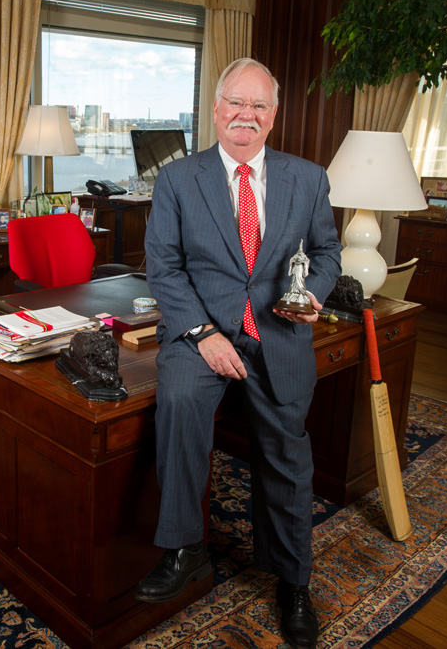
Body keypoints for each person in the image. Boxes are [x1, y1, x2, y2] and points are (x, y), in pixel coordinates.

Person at [139, 58, 342, 649]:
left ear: (273, 116)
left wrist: (313, 296)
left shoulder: (308, 178)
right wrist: (204, 335)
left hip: (277, 333)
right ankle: (183, 546)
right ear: (216, 109)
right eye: (235, 103)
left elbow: (327, 253)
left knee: (287, 454)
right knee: (177, 403)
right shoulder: (178, 179)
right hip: (199, 331)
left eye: (258, 107)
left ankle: (292, 581)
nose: (245, 116)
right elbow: (165, 268)